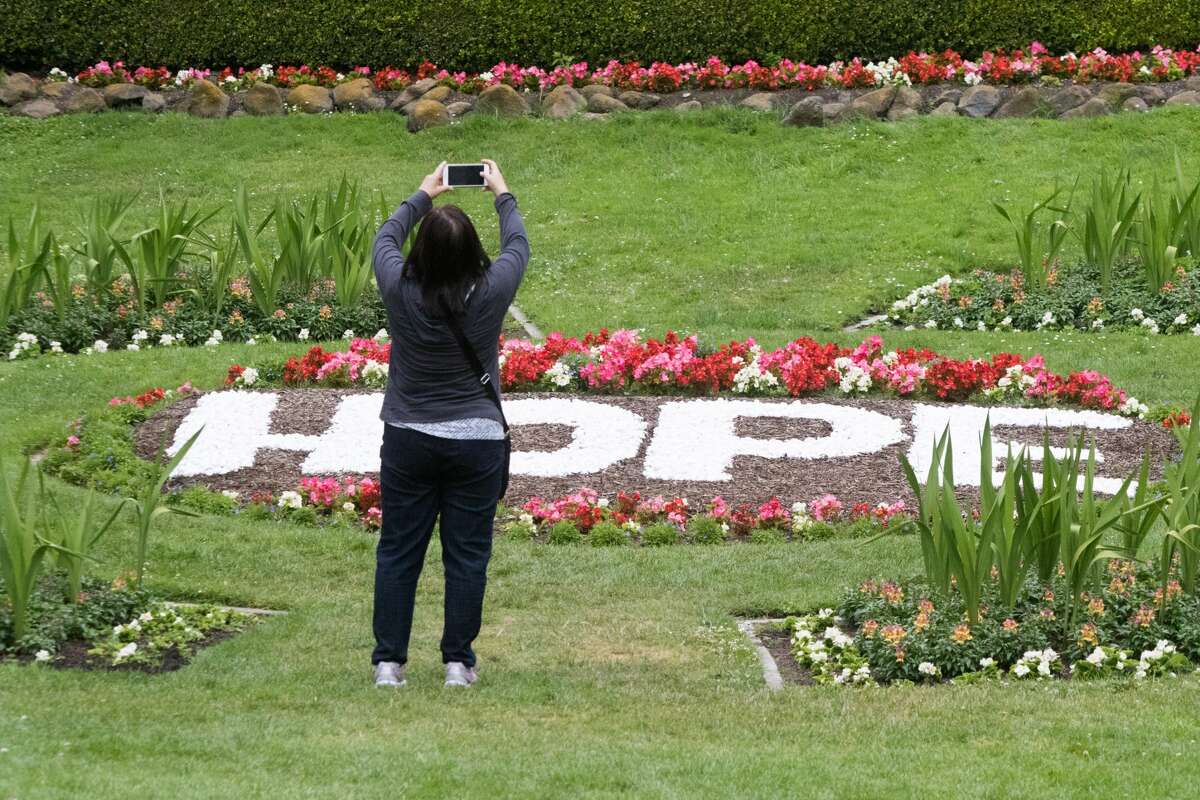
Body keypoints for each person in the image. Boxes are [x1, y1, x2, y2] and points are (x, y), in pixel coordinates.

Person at [370, 159, 528, 688]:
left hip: (409, 436)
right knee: (468, 555)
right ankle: (458, 663)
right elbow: (518, 247)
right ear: (471, 253)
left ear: (422, 252)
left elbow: (385, 237)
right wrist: (502, 193)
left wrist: (421, 194)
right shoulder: (490, 291)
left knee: (398, 550)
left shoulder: (398, 287)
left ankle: (388, 663)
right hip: (476, 440)